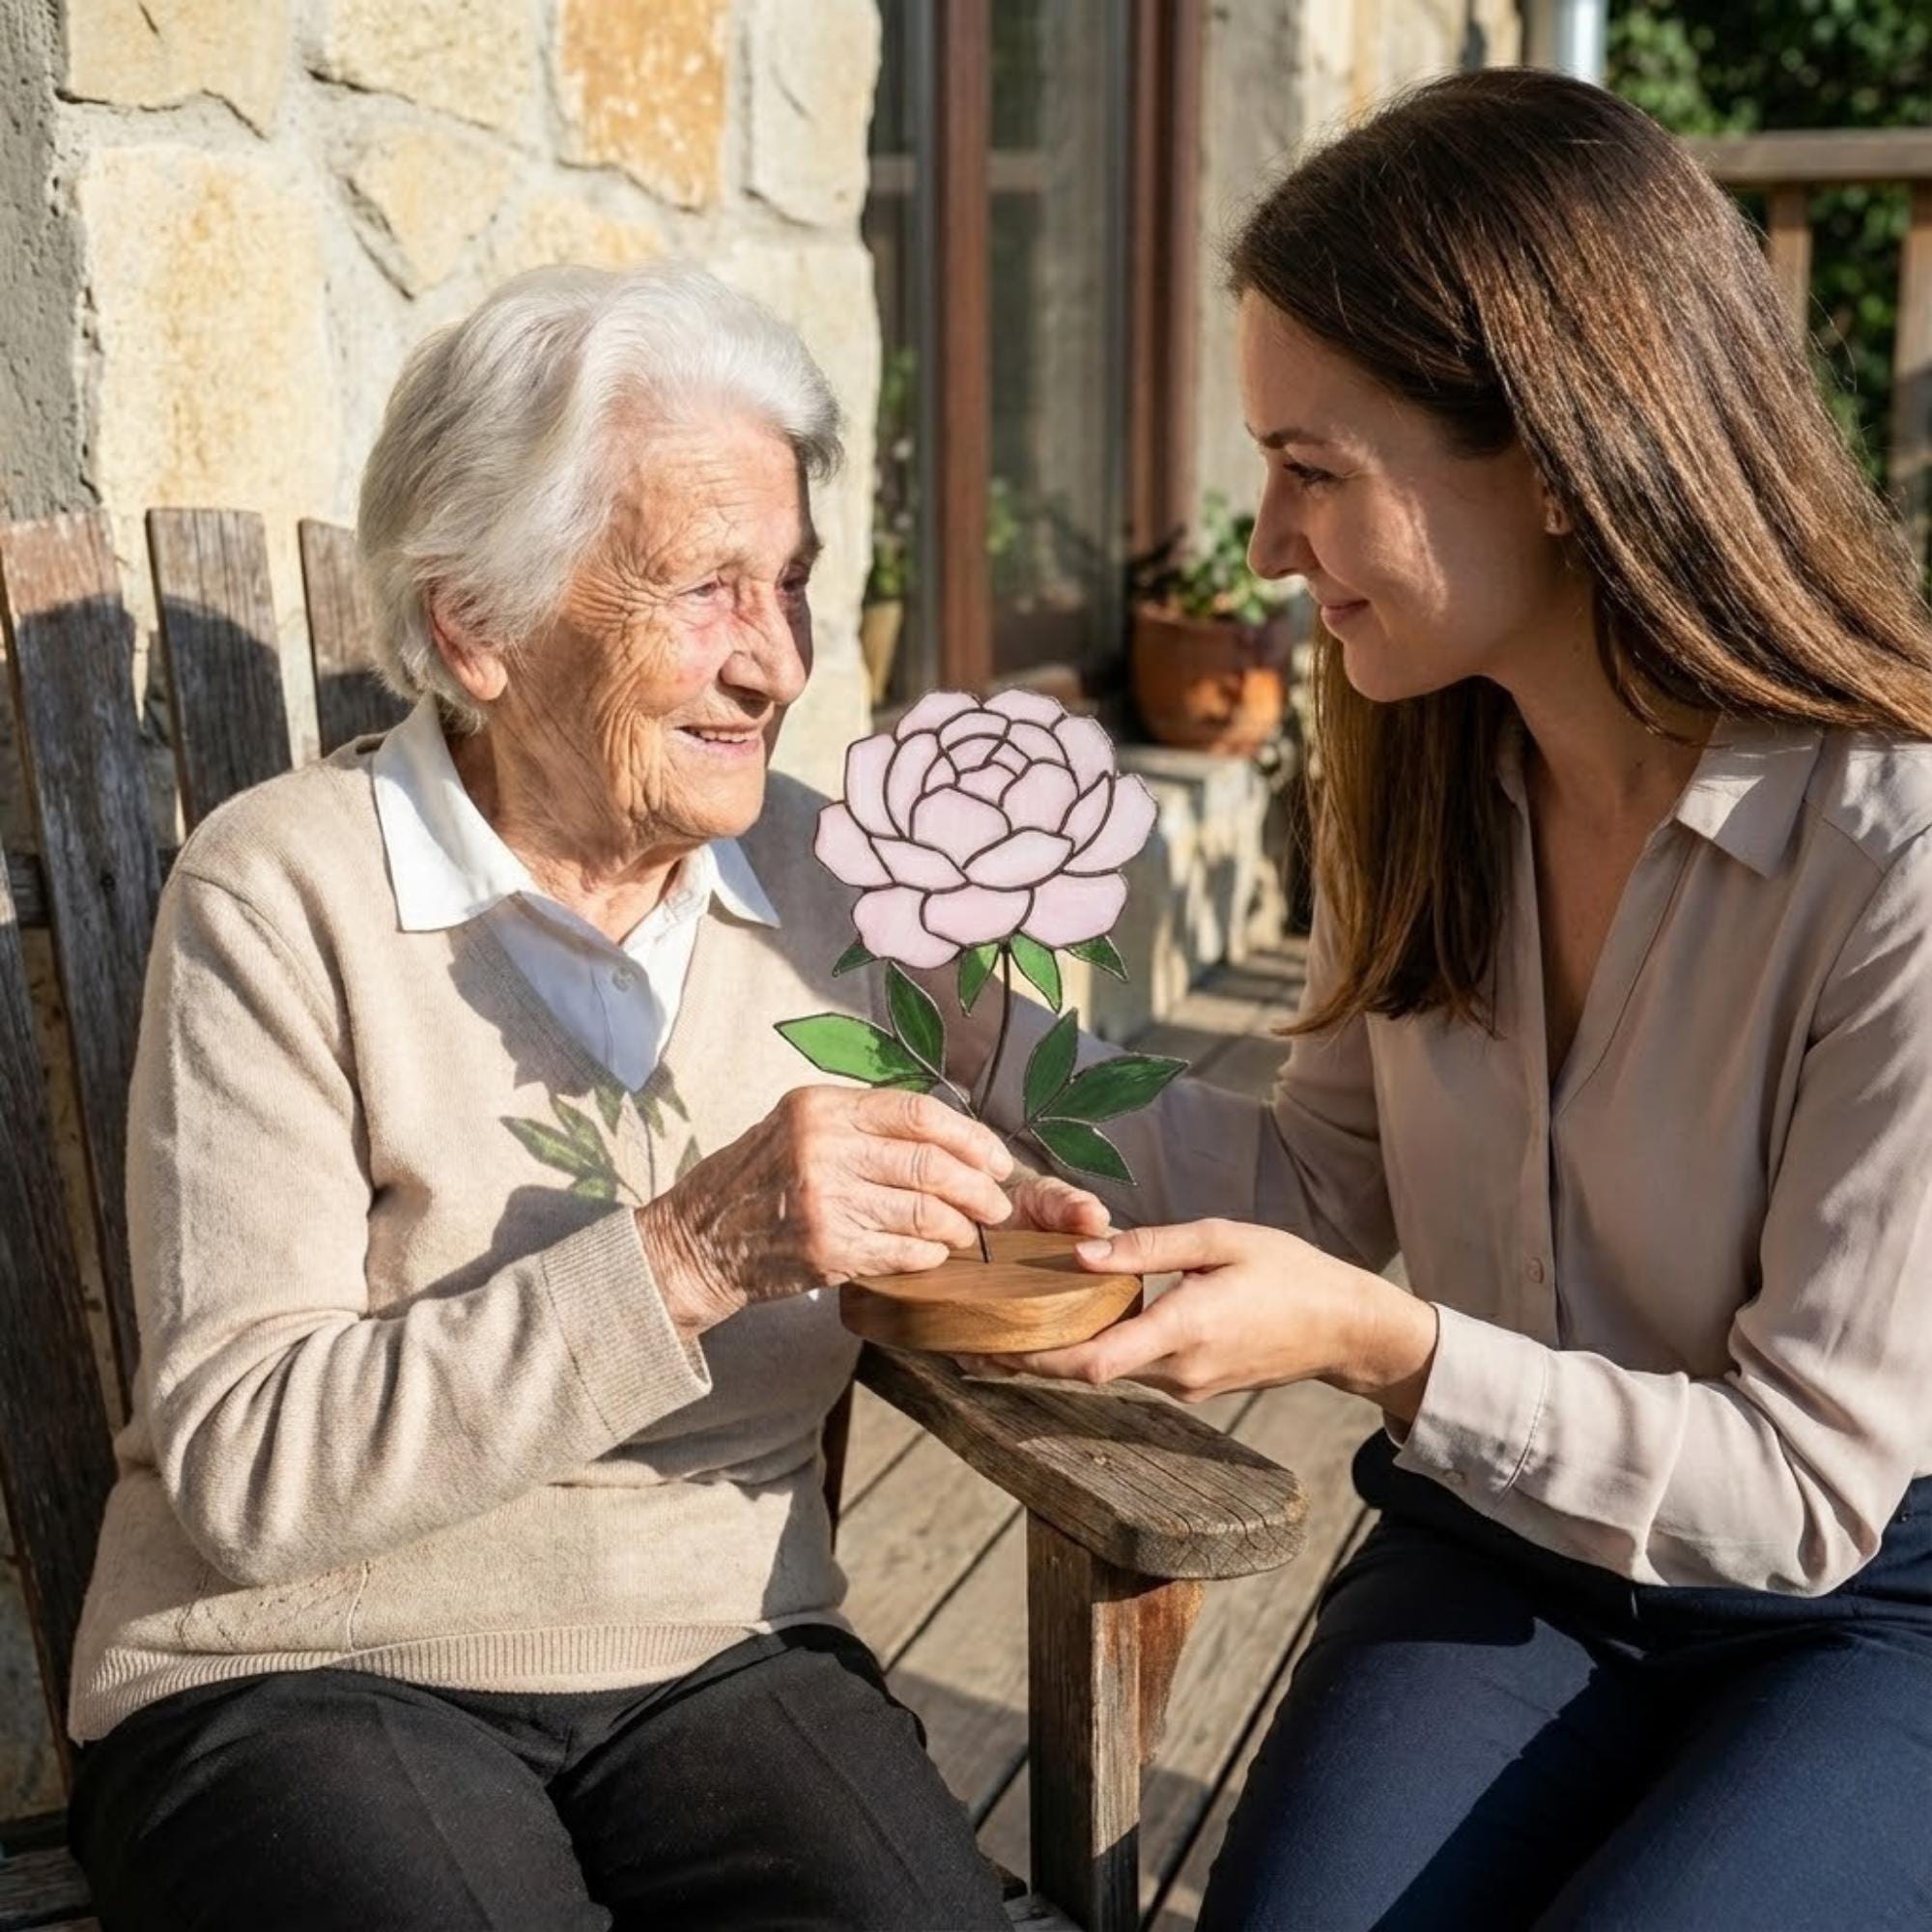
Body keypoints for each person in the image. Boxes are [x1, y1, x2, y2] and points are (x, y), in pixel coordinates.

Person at [958, 68, 1932, 1930]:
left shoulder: (1893, 859)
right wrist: (970, 1018)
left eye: (1313, 469)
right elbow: (1323, 1196)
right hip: (1513, 1547)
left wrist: (1390, 1351)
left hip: (1865, 1600)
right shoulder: (1424, 777)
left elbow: (1808, 1488)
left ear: (1560, 459)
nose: (1260, 545)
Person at [65, 262, 1085, 1930]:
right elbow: (251, 1475)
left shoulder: (839, 895)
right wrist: (687, 1250)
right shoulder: (280, 895)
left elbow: (991, 1175)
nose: (777, 665)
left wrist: (1000, 1221)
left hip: (720, 1649)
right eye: (706, 588)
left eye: (794, 586)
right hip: (300, 1668)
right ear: (478, 622)